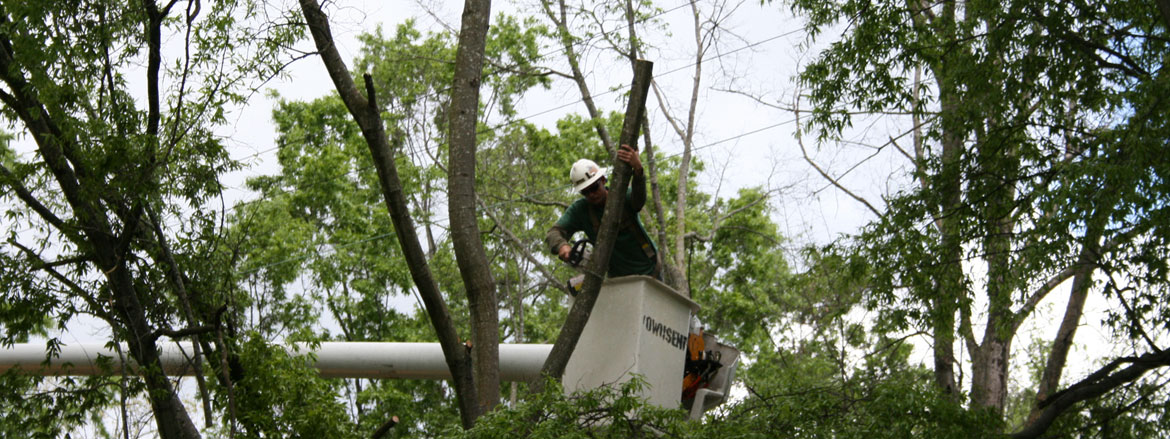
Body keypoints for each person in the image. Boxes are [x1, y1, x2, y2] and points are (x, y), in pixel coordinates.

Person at [545, 144, 659, 278]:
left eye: (594, 188)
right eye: (585, 192)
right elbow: (553, 233)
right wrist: (562, 246)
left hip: (649, 270)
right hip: (618, 278)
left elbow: (639, 200)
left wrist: (638, 170)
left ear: (603, 180)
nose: (591, 195)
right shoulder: (580, 210)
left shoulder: (622, 196)